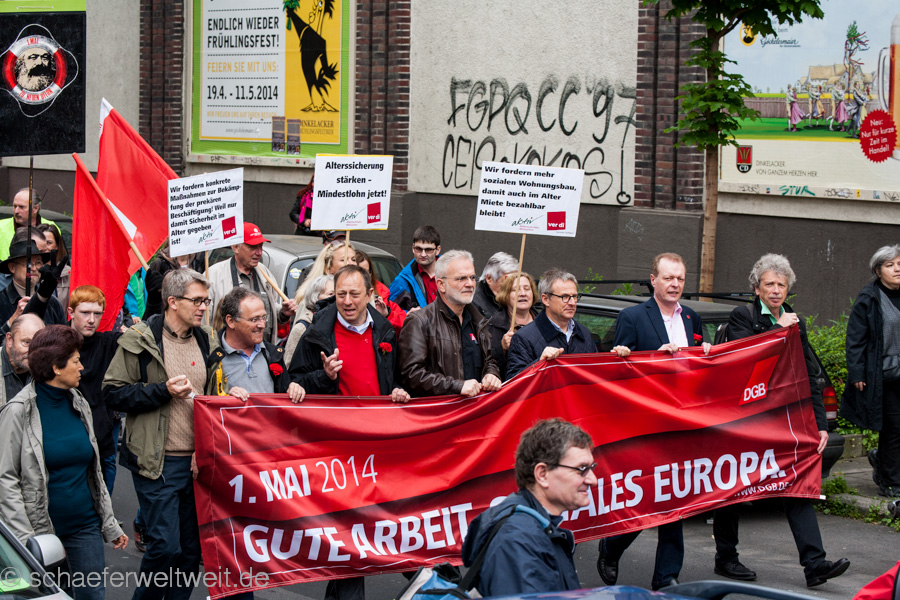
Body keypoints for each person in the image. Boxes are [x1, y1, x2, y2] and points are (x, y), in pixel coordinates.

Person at [713, 254, 850, 587]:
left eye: (781, 284)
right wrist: (778, 329)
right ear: (757, 288)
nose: (776, 290)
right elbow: (745, 357)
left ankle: (814, 564)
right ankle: (726, 558)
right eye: (769, 284)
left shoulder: (796, 321)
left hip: (782, 419)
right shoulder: (742, 315)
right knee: (733, 488)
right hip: (744, 420)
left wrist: (820, 424)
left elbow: (807, 375)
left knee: (795, 483)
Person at [103, 269, 219, 600]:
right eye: (197, 301)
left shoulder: (206, 339)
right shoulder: (141, 340)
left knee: (189, 553)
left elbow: (213, 396)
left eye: (206, 300)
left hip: (196, 464)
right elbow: (113, 393)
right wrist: (161, 391)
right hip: (157, 462)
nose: (203, 307)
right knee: (165, 547)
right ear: (172, 302)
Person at [597, 252, 709, 591]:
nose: (675, 284)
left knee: (676, 499)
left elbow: (701, 369)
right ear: (653, 280)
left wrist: (707, 355)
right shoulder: (632, 317)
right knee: (646, 497)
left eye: (680, 278)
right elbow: (616, 372)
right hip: (645, 424)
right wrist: (652, 361)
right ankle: (612, 546)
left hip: (683, 422)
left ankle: (666, 577)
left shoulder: (691, 318)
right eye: (668, 277)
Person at [0, 325, 127, 600]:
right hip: (42, 532)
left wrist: (109, 523)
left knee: (93, 595)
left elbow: (94, 471)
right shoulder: (17, 412)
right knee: (56, 596)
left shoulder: (78, 402)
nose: (82, 367)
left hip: (85, 527)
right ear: (56, 368)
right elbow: (5, 479)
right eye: (76, 361)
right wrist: (26, 541)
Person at [461, 418, 596, 596]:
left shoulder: (528, 528)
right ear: (542, 474)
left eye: (592, 467)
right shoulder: (518, 540)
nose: (592, 480)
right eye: (582, 469)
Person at [398, 250, 501, 397]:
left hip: (477, 408)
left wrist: (491, 374)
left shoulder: (479, 320)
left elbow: (489, 361)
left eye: (472, 277)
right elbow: (411, 375)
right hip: (441, 410)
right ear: (441, 285)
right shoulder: (419, 321)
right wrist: (456, 386)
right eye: (461, 278)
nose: (470, 284)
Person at [843, 245, 900, 499]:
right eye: (890, 265)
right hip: (884, 376)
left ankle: (881, 460)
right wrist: (857, 373)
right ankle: (891, 482)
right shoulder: (869, 298)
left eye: (899, 264)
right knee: (894, 428)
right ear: (878, 271)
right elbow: (855, 339)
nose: (897, 269)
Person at [506, 269, 620, 379]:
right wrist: (539, 363)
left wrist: (618, 359)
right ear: (545, 299)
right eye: (564, 297)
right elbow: (514, 382)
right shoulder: (524, 337)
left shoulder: (584, 333)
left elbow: (596, 374)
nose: (572, 303)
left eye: (574, 296)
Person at [68, 285, 124, 496]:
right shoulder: (58, 342)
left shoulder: (108, 342)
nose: (91, 320)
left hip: (103, 427)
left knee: (106, 471)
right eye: (85, 313)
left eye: (97, 314)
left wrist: (154, 300)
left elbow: (145, 339)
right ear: (71, 312)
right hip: (71, 425)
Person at [209, 287, 304, 403]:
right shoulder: (211, 356)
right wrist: (224, 394)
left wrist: (293, 389)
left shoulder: (273, 355)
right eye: (254, 319)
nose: (262, 325)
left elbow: (284, 398)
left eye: (264, 317)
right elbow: (201, 400)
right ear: (231, 321)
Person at [208, 222, 297, 344]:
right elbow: (205, 321)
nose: (259, 252)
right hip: (227, 352)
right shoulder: (213, 275)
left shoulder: (265, 272)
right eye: (253, 247)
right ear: (235, 247)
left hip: (262, 350)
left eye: (261, 246)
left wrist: (282, 313)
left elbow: (268, 309)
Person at [0, 236, 66, 327]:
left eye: (38, 263)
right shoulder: (2, 301)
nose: (34, 268)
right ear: (12, 267)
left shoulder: (53, 303)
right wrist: (13, 320)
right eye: (28, 263)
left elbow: (63, 334)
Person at [487, 272, 538, 380]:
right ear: (505, 294)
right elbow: (486, 365)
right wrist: (501, 349)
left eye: (527, 289)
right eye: (516, 290)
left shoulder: (544, 323)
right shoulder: (492, 325)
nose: (523, 293)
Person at [284, 274, 334, 365]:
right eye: (331, 294)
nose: (335, 298)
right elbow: (288, 365)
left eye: (338, 293)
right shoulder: (301, 329)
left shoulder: (337, 324)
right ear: (315, 298)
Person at [389, 225, 441, 311]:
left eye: (428, 250)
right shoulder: (403, 280)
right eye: (419, 249)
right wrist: (408, 315)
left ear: (438, 250)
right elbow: (388, 310)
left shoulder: (452, 272)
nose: (423, 254)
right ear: (413, 248)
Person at [356, 249, 407, 336]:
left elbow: (404, 323)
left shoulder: (381, 294)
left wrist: (387, 315)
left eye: (367, 272)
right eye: (359, 272)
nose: (364, 276)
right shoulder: (343, 297)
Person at [0, 188, 59, 261]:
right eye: (15, 206)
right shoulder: (1, 227)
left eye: (21, 207)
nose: (16, 211)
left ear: (35, 208)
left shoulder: (51, 227)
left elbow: (60, 254)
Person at [295, 240, 356, 307]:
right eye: (343, 260)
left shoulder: (363, 292)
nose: (351, 263)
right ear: (329, 268)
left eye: (353, 259)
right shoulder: (313, 302)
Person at [0, 314, 44, 406]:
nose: (33, 351)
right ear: (9, 340)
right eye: (26, 342)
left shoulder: (44, 368)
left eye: (38, 344)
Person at [473, 252, 518, 319]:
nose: (513, 285)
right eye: (507, 281)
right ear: (489, 278)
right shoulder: (474, 304)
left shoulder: (517, 298)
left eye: (515, 279)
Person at [35, 223, 70, 305]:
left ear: (57, 245)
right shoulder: (29, 271)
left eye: (49, 243)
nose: (44, 248)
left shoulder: (69, 274)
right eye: (40, 243)